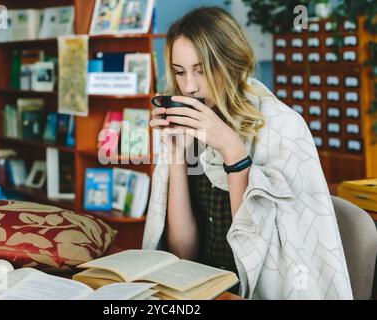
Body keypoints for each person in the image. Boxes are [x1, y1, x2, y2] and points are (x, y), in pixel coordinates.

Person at [142, 6, 353, 300]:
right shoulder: (189, 127)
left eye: (201, 71)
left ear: (232, 64)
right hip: (202, 289)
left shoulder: (282, 126)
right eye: (180, 72)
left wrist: (233, 151)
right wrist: (177, 157)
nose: (189, 87)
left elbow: (260, 257)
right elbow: (182, 254)